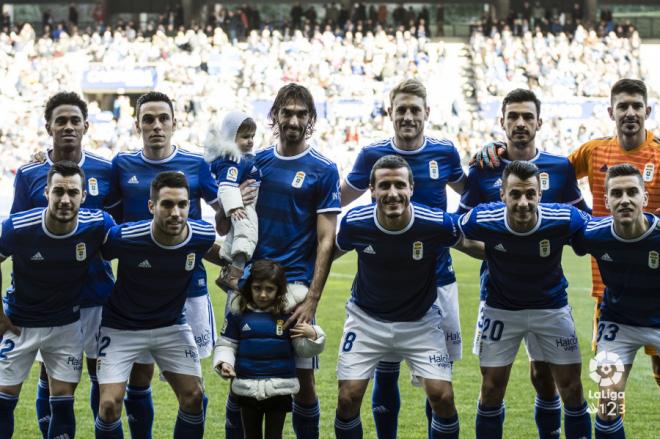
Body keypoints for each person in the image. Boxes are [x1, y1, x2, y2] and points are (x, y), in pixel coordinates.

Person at [472, 78, 660, 388]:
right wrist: (500, 151)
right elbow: (543, 171)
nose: (630, 113)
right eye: (623, 106)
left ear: (647, 111)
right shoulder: (593, 152)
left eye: (636, 106)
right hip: (610, 291)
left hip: (655, 285)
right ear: (611, 112)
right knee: (608, 390)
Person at [340, 78, 467, 438]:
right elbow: (340, 199)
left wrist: (493, 157)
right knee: (385, 369)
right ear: (390, 113)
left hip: (439, 279)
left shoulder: (444, 152)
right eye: (401, 110)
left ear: (427, 113)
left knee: (438, 380)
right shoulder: (371, 155)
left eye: (415, 110)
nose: (408, 116)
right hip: (387, 280)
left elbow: (471, 191)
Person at [459, 88, 589, 439]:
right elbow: (459, 229)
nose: (519, 123)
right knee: (492, 386)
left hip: (549, 297)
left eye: (527, 117)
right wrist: (498, 250)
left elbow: (583, 227)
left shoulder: (560, 169)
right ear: (501, 122)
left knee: (547, 377)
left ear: (539, 122)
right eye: (512, 117)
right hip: (498, 295)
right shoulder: (484, 167)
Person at [334, 155, 484, 439]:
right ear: (372, 190)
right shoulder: (355, 223)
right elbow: (327, 255)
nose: (393, 193)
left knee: (443, 397)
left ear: (411, 189)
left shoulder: (435, 223)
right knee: (347, 398)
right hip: (366, 320)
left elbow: (471, 245)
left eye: (400, 185)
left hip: (421, 322)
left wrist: (515, 249)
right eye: (385, 186)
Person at [110, 91, 220, 437]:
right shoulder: (122, 165)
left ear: (175, 122)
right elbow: (109, 224)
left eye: (163, 119)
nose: (156, 126)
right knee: (138, 378)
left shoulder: (196, 163)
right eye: (148, 119)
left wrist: (237, 201)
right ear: (137, 124)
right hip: (138, 290)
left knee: (193, 386)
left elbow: (224, 220)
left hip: (190, 288)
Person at [233, 83, 340, 439]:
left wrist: (312, 299)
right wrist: (229, 203)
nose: (293, 120)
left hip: (295, 289)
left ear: (310, 120)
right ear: (275, 116)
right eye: (287, 112)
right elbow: (230, 221)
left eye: (301, 114)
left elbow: (327, 239)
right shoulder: (254, 163)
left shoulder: (324, 169)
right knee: (242, 371)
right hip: (252, 285)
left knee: (302, 381)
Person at [11, 91, 117, 437]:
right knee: (51, 376)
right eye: (61, 121)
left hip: (96, 294)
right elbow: (16, 236)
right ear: (48, 127)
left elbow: (115, 233)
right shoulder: (29, 174)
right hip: (50, 301)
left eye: (75, 121)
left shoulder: (105, 168)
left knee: (102, 373)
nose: (68, 127)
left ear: (86, 126)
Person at [94, 171, 217, 438]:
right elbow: (98, 252)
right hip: (121, 327)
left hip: (171, 326)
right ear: (152, 206)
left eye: (182, 205)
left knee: (194, 397)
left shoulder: (202, 234)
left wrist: (236, 269)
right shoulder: (126, 236)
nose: (176, 212)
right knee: (108, 405)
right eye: (167, 204)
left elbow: (218, 252)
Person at [571, 164, 659, 438]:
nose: (625, 200)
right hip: (617, 324)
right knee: (608, 403)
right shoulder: (592, 234)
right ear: (606, 201)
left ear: (644, 199)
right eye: (617, 193)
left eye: (632, 192)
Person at [213, 259, 326, 439]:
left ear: (279, 290)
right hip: (246, 387)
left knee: (275, 436)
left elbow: (303, 351)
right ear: (249, 287)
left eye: (269, 289)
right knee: (251, 435)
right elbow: (227, 344)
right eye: (257, 288)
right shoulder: (237, 313)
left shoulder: (289, 315)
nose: (263, 294)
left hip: (279, 388)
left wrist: (314, 335)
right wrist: (223, 363)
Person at [204, 111, 261, 291]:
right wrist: (235, 207)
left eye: (252, 136)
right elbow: (227, 186)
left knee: (233, 238)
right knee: (247, 233)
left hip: (243, 202)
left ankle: (227, 272)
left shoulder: (242, 157)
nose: (250, 141)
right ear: (231, 136)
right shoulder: (232, 159)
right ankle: (234, 275)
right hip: (243, 206)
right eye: (245, 136)